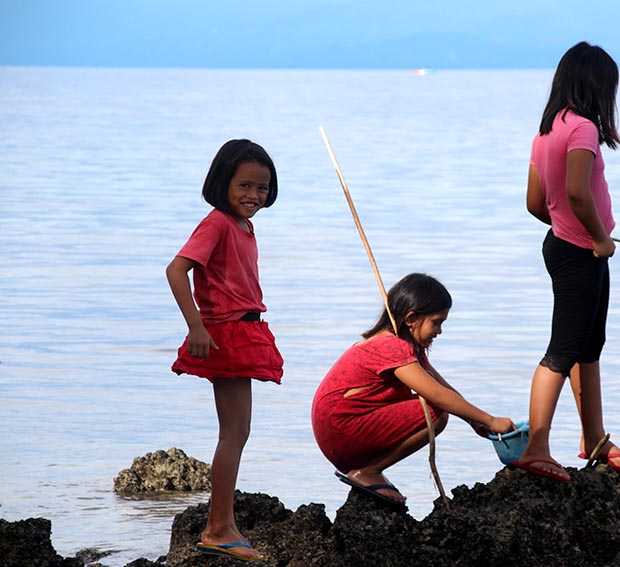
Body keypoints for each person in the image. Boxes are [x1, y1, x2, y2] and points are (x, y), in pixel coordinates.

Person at [517, 41, 620, 484]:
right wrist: (598, 237)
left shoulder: (546, 131)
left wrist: (569, 228)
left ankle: (595, 438)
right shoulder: (584, 128)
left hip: (563, 246)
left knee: (589, 346)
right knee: (563, 349)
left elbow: (535, 202)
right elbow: (575, 191)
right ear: (596, 87)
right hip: (582, 251)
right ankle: (537, 448)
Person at [166, 139, 284, 561]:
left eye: (263, 188)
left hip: (244, 330)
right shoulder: (216, 223)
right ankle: (217, 528)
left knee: (239, 433)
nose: (254, 195)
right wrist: (195, 325)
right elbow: (176, 269)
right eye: (245, 186)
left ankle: (225, 523)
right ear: (223, 184)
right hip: (227, 333)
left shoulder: (243, 227)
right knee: (233, 434)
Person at [312, 273, 516, 505]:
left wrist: (475, 421)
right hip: (341, 431)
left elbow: (443, 387)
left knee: (438, 407)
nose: (439, 331)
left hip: (339, 436)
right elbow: (436, 395)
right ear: (411, 318)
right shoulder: (391, 347)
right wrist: (490, 420)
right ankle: (368, 471)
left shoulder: (406, 348)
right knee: (435, 414)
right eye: (436, 322)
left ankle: (368, 469)